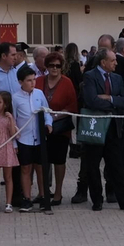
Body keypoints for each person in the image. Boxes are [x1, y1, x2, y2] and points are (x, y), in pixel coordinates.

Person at [78, 48, 124, 210]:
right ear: (103, 62)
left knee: (116, 166)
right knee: (93, 166)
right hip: (95, 127)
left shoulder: (117, 78)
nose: (116, 63)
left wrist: (109, 98)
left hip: (113, 129)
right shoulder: (90, 76)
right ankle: (97, 200)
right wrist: (114, 105)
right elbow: (91, 101)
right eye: (113, 60)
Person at [11, 67, 53, 212]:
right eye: (29, 80)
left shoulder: (39, 93)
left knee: (41, 168)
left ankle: (43, 196)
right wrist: (14, 142)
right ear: (20, 82)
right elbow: (13, 121)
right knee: (26, 168)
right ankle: (27, 198)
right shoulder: (15, 98)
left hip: (39, 138)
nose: (33, 83)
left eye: (34, 79)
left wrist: (48, 123)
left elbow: (47, 111)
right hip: (24, 139)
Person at [37, 52, 76, 203]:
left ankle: (58, 192)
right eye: (51, 65)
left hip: (60, 128)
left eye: (58, 66)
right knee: (41, 161)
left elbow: (72, 106)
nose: (54, 68)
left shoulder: (67, 82)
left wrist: (53, 117)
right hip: (41, 127)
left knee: (59, 160)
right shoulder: (39, 80)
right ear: (46, 66)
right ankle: (43, 193)